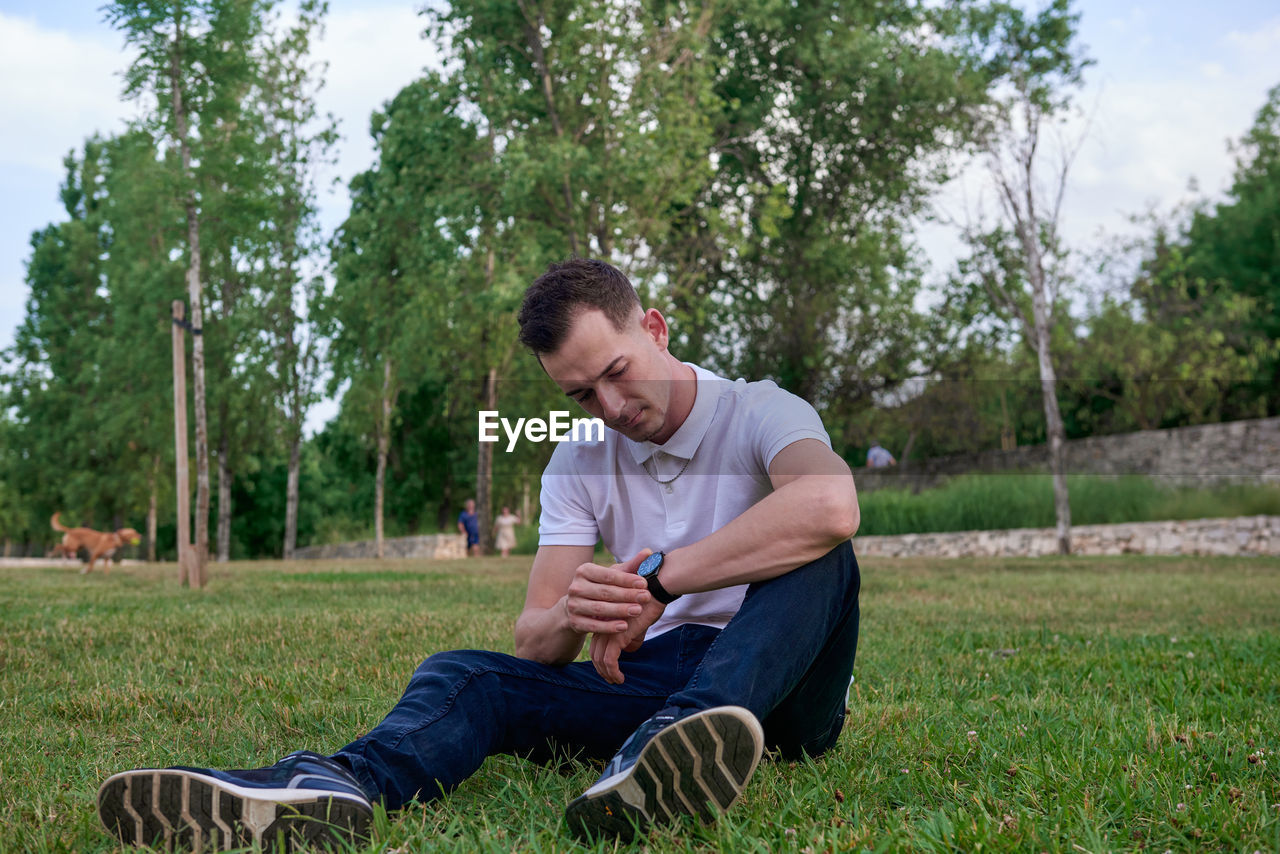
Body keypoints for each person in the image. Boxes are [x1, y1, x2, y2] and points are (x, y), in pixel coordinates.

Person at [96, 258, 862, 851]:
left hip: (782, 690)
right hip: (654, 682)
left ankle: (673, 749)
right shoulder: (578, 460)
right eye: (581, 395)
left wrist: (661, 581)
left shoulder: (759, 409)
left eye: (617, 373)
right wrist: (577, 609)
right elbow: (533, 639)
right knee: (463, 674)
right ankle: (337, 784)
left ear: (654, 329)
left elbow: (830, 506)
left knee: (823, 552)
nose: (611, 408)